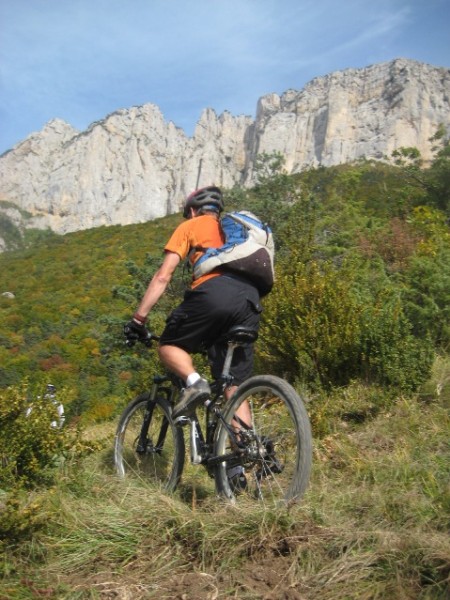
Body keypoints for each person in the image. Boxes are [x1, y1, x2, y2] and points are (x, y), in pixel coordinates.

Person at [124, 186, 263, 430]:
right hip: (250, 300)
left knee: (169, 346)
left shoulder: (190, 226)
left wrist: (138, 319)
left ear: (191, 211)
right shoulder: (234, 233)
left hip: (215, 293)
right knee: (234, 386)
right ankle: (242, 459)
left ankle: (195, 383)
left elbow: (162, 277)